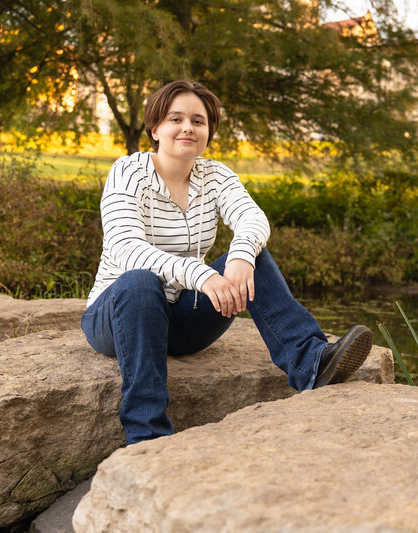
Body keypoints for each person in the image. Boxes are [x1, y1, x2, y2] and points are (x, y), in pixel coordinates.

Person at [81, 80, 373, 445]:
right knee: (141, 281)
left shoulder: (216, 175)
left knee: (256, 257)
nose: (188, 127)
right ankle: (147, 434)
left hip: (184, 321)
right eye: (176, 119)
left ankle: (312, 362)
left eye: (198, 121)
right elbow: (126, 247)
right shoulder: (127, 172)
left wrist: (240, 256)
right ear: (155, 129)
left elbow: (252, 219)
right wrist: (202, 274)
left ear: (208, 132)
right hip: (120, 317)